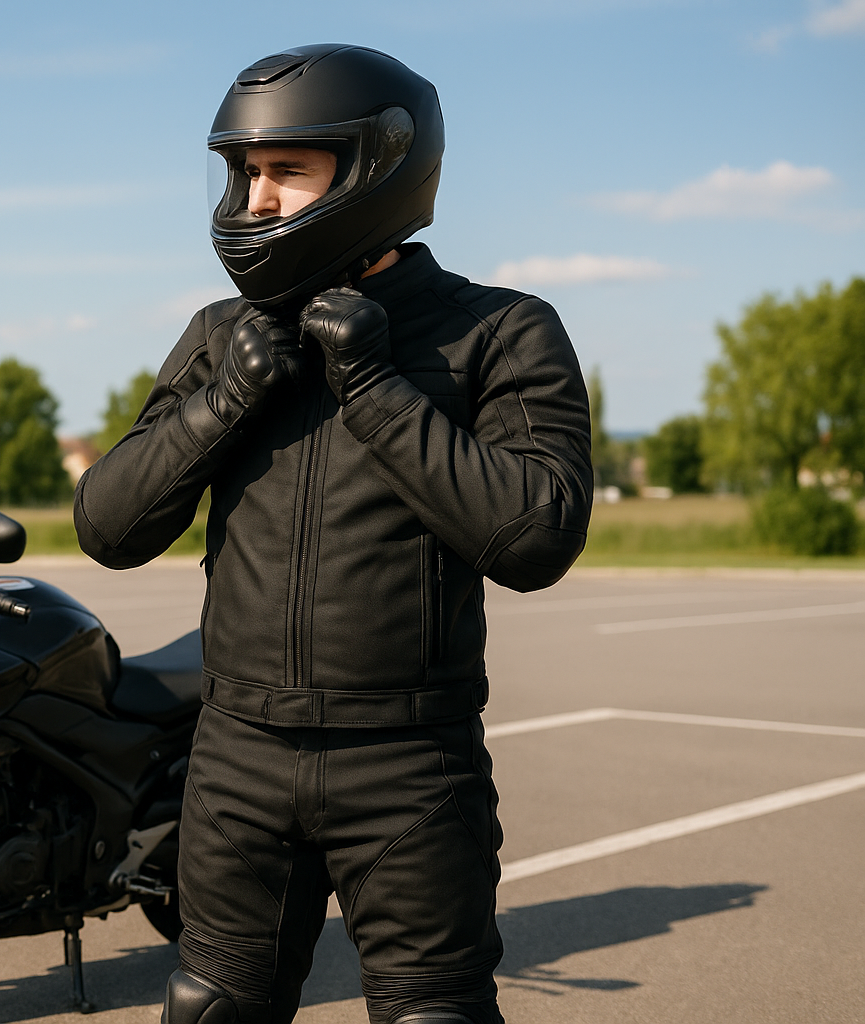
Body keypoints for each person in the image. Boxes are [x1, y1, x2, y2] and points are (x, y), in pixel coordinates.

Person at [74, 44, 593, 1024]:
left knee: (433, 1014)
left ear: (375, 168)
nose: (255, 198)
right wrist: (225, 398)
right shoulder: (221, 335)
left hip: (409, 767)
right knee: (209, 1007)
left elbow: (536, 537)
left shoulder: (500, 330)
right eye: (243, 171)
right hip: (235, 760)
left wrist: (378, 389)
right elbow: (108, 525)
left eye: (286, 170)